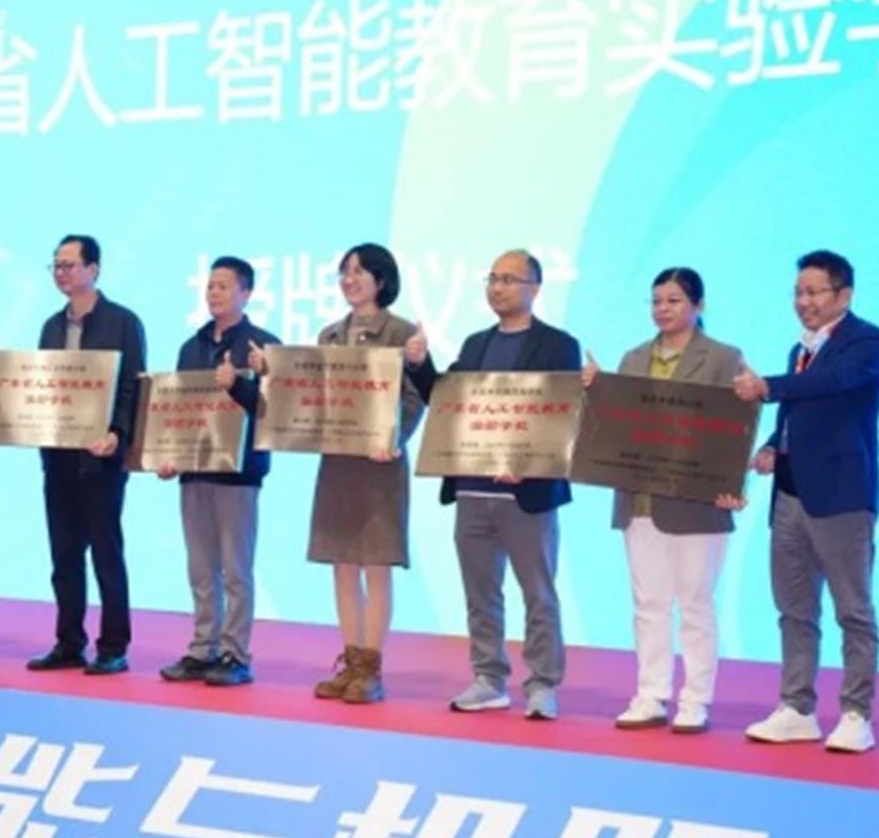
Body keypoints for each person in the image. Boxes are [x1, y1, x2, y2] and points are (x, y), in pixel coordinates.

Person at [405, 248, 580, 720]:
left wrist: (529, 461)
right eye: (492, 278)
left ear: (534, 288)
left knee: (538, 594)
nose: (497, 287)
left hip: (527, 493)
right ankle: (488, 678)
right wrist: (419, 364)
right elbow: (446, 400)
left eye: (508, 279)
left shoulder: (558, 345)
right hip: (472, 488)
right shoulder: (475, 344)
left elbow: (563, 415)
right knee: (481, 595)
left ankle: (542, 684)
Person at [252, 242, 423, 704]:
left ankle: (371, 668)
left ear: (381, 280)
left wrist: (396, 437)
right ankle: (350, 662)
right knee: (343, 564)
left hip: (381, 465)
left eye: (359, 271)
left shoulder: (401, 333)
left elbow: (414, 397)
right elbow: (310, 393)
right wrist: (271, 373)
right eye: (344, 271)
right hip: (338, 464)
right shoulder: (329, 336)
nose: (349, 279)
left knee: (377, 565)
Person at [733, 249, 879, 754]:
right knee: (795, 610)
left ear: (844, 294)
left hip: (842, 497)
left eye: (814, 292)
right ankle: (797, 708)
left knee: (853, 611)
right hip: (791, 496)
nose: (804, 301)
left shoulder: (866, 342)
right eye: (798, 292)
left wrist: (767, 388)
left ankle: (856, 714)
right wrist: (771, 445)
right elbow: (799, 410)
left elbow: (831, 383)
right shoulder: (799, 350)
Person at [582, 268, 746, 734]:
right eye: (656, 301)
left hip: (697, 500)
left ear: (698, 305)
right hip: (640, 500)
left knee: (696, 604)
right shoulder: (633, 358)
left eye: (674, 300)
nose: (662, 309)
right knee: (648, 603)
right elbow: (615, 426)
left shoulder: (724, 358)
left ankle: (696, 698)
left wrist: (734, 485)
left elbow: (736, 427)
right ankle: (651, 693)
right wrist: (597, 391)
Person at [24, 234, 147, 675]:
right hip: (58, 454)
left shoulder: (122, 321)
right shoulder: (51, 327)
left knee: (106, 553)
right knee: (64, 554)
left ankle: (113, 646)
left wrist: (118, 433)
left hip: (101, 456)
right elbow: (41, 387)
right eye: (56, 265)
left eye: (69, 264)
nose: (61, 273)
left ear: (93, 269)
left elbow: (132, 386)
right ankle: (68, 642)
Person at [157, 256, 281, 687]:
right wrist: (168, 454)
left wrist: (240, 383)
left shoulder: (264, 347)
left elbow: (274, 413)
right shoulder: (191, 346)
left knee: (236, 571)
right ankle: (201, 648)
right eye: (210, 285)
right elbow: (178, 408)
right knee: (200, 568)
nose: (213, 292)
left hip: (239, 472)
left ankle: (235, 654)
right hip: (194, 469)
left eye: (224, 286)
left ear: (246, 292)